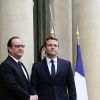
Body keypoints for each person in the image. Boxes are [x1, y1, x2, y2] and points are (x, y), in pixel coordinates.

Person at [30, 36, 77, 100]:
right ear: (45, 48)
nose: (53, 47)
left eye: (55, 45)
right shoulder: (37, 66)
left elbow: (71, 87)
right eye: (50, 45)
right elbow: (33, 86)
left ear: (58, 48)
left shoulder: (66, 65)